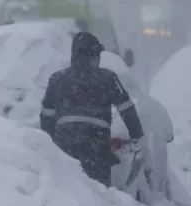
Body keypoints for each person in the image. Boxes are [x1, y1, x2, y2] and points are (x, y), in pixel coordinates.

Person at [40, 32, 145, 187]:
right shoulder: (108, 78)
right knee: (99, 193)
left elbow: (46, 116)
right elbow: (127, 110)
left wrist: (50, 142)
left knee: (66, 188)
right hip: (96, 144)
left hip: (65, 144)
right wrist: (137, 136)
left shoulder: (57, 79)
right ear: (94, 55)